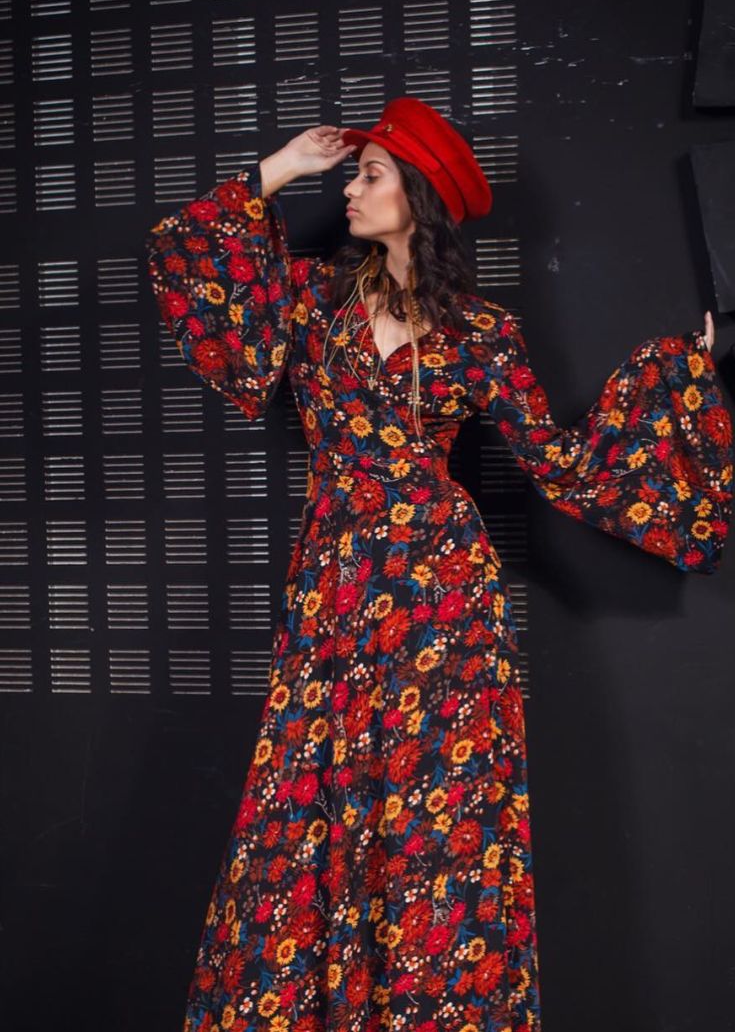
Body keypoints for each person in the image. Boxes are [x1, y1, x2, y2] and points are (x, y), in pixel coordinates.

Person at [145, 97, 733, 1032]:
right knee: (312, 797)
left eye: (370, 174)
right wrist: (281, 167)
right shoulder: (313, 300)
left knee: (435, 814)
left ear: (416, 197)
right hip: (338, 581)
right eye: (352, 174)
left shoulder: (480, 332)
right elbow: (190, 259)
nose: (350, 189)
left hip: (441, 591)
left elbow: (561, 463)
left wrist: (678, 379)